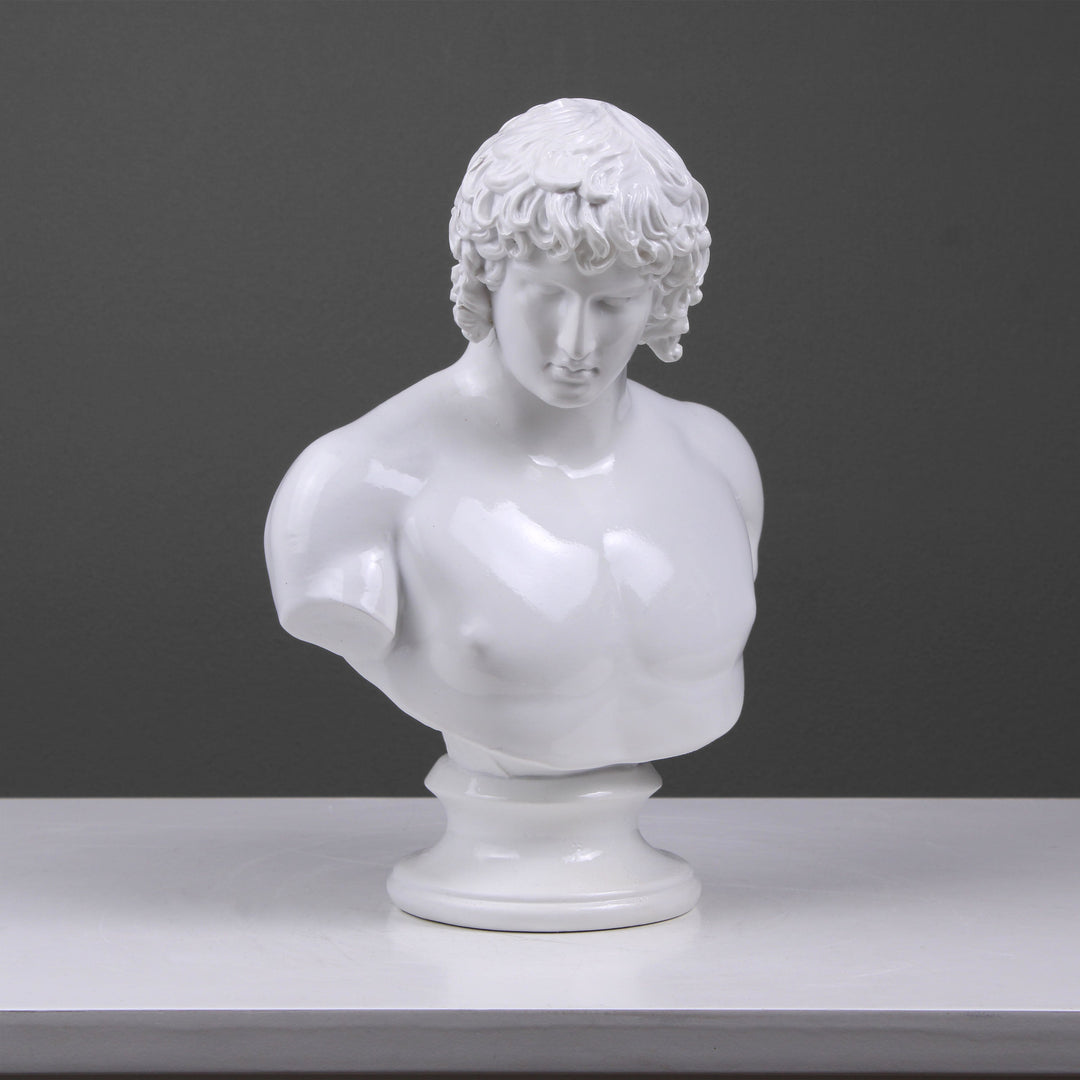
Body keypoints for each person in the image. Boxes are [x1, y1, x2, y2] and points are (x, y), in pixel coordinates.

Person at [265, 99, 762, 778]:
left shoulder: (714, 458)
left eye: (613, 303)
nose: (576, 343)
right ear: (486, 274)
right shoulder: (356, 482)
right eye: (546, 295)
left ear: (661, 299)